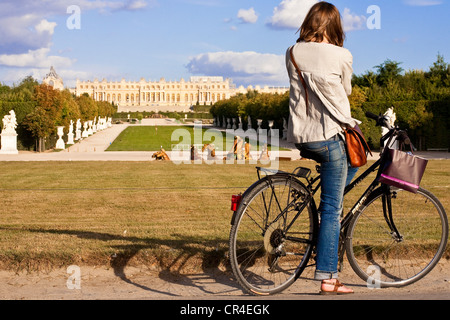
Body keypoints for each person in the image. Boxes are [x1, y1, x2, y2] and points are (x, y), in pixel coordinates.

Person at [286, 2, 360, 295]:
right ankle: (329, 277)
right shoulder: (342, 54)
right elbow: (347, 90)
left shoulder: (291, 52)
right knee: (333, 210)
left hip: (302, 135)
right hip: (329, 136)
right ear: (335, 27)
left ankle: (321, 213)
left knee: (352, 165)